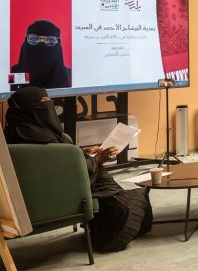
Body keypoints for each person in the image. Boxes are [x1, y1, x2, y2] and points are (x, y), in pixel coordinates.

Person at [5, 87, 152, 252]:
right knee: (133, 207)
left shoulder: (10, 140)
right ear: (31, 110)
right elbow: (69, 177)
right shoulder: (45, 142)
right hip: (67, 198)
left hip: (31, 203)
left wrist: (80, 153)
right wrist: (97, 159)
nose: (50, 106)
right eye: (45, 103)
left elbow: (53, 167)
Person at [11, 20, 72, 89]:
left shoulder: (70, 75)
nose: (42, 44)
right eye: (33, 39)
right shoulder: (13, 73)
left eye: (50, 40)